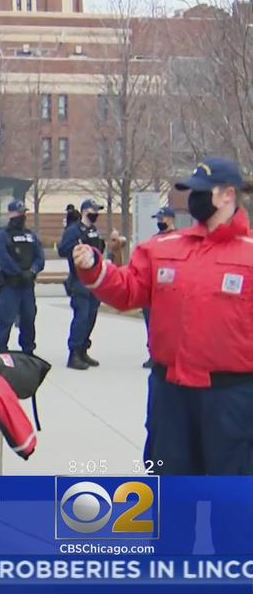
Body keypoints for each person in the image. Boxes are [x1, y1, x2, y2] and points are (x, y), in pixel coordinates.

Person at [72, 157, 252, 475]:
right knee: (171, 500)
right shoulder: (162, 248)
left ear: (228, 195)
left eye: (201, 191)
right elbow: (128, 290)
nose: (192, 199)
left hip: (232, 401)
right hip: (171, 398)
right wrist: (95, 268)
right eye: (189, 191)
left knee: (232, 504)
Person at [58, 198, 106, 370]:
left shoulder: (93, 230)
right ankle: (74, 354)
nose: (96, 214)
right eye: (94, 211)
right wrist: (77, 248)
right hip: (79, 280)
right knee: (81, 317)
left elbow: (100, 250)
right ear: (86, 211)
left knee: (91, 316)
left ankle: (83, 349)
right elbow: (62, 250)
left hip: (94, 280)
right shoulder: (73, 230)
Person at [0, 200, 44, 355]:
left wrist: (33, 271)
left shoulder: (30, 235)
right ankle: (0, 350)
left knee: (29, 318)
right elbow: (3, 257)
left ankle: (28, 350)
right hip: (11, 285)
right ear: (10, 214)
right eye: (18, 213)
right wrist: (18, 272)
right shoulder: (3, 235)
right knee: (5, 318)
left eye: (23, 213)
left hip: (27, 285)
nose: (21, 216)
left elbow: (39, 256)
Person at [141, 207, 177, 369]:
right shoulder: (154, 239)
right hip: (152, 288)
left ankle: (168, 356)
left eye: (161, 219)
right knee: (152, 324)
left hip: (170, 290)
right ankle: (153, 355)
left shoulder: (179, 239)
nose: (159, 222)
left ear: (170, 219)